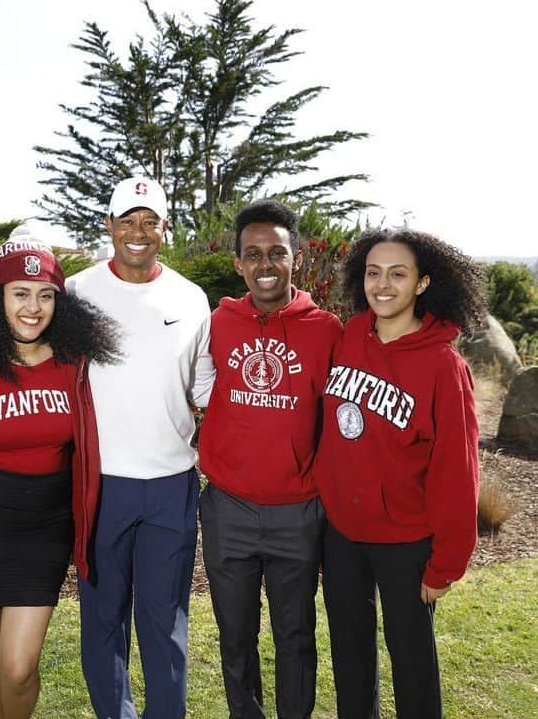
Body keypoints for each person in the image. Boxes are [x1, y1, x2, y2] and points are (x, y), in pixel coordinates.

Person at [0, 227, 120, 719]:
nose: (33, 307)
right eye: (20, 293)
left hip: (43, 529)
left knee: (17, 666)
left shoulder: (72, 362)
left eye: (45, 295)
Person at [315, 227, 485, 719]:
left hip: (407, 540)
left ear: (423, 283)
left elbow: (458, 468)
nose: (382, 285)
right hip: (344, 534)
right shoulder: (349, 336)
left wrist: (447, 561)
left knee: (411, 660)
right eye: (373, 272)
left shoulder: (442, 364)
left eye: (397, 274)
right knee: (349, 656)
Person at [66, 176, 215, 719]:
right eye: (127, 220)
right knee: (103, 621)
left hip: (172, 484)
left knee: (164, 622)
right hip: (101, 485)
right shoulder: (78, 293)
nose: (138, 232)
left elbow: (204, 387)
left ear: (165, 229)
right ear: (108, 226)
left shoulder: (190, 297)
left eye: (150, 221)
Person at [197, 200, 342, 719]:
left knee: (296, 636)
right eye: (253, 254)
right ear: (238, 263)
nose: (265, 265)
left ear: (296, 259)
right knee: (235, 636)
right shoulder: (216, 323)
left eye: (276, 253)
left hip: (297, 512)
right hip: (229, 509)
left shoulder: (326, 331)